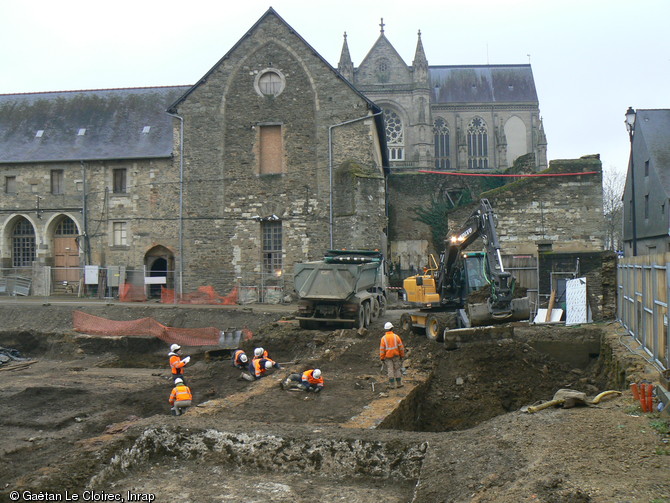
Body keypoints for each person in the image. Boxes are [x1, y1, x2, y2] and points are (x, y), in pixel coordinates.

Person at [380, 321, 405, 389]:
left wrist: (382, 358)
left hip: (388, 357)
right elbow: (401, 347)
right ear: (392, 328)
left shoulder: (383, 338)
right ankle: (399, 383)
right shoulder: (396, 337)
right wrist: (402, 355)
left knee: (390, 370)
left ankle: (392, 385)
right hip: (396, 356)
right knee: (397, 369)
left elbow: (382, 350)